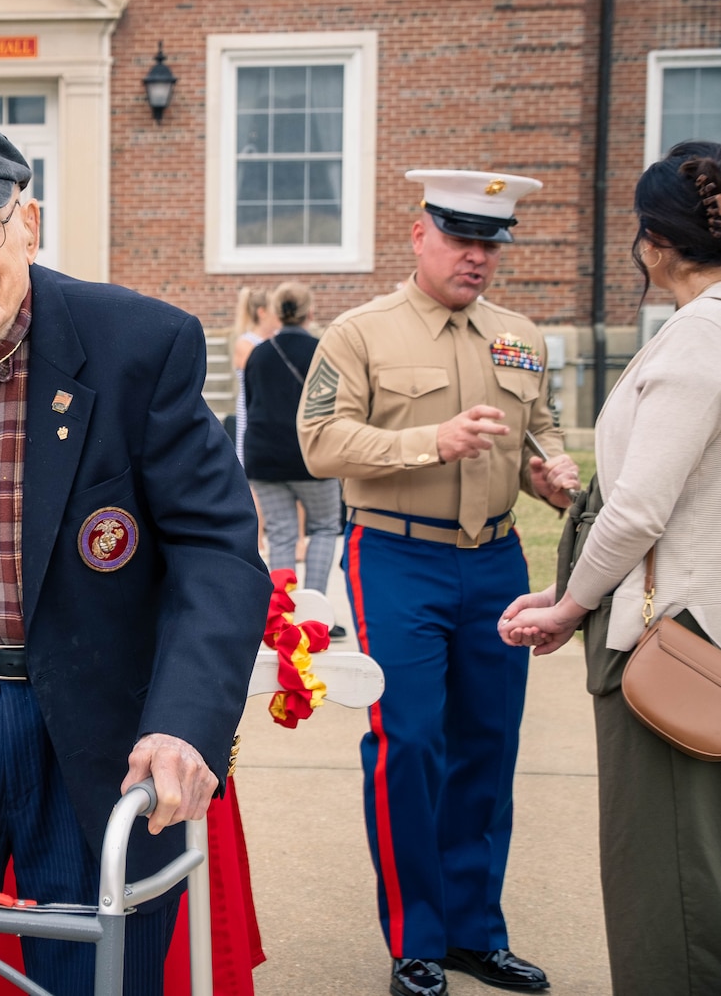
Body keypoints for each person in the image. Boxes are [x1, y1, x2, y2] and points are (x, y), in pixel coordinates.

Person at [0, 125, 269, 996]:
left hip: (90, 723)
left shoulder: (136, 344)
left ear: (29, 224)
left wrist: (185, 720)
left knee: (93, 976)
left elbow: (217, 549)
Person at [297, 170, 580, 996]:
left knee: (487, 746)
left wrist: (551, 475)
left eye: (490, 242)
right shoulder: (359, 333)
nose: (477, 257)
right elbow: (318, 442)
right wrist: (431, 441)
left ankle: (473, 932)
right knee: (409, 742)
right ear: (419, 234)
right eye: (460, 238)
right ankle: (415, 938)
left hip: (494, 561)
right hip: (394, 554)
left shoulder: (519, 334)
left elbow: (541, 432)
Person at [499, 142, 721, 996]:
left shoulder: (695, 344)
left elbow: (637, 509)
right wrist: (566, 589)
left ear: (652, 245)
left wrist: (568, 608)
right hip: (699, 621)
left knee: (667, 886)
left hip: (677, 646)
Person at [243, 281, 341, 597]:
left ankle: (284, 615)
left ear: (276, 313)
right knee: (325, 528)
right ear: (309, 312)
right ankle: (317, 612)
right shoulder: (323, 351)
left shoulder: (258, 354)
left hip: (264, 456)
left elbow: (250, 402)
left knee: (281, 535)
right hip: (311, 457)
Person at [230, 285, 279, 466]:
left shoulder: (279, 338)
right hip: (253, 410)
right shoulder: (246, 343)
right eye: (276, 309)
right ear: (262, 312)